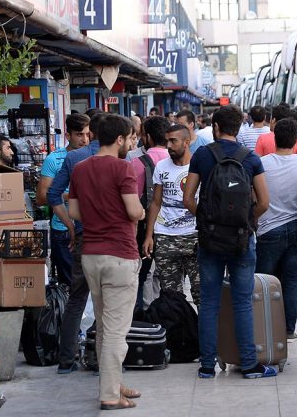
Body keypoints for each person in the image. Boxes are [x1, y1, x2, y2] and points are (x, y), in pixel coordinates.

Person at [183, 105, 276, 379]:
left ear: (215, 127)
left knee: (209, 302)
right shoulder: (251, 158)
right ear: (239, 128)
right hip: (241, 239)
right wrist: (246, 221)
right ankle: (249, 365)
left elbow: (188, 198)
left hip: (210, 239)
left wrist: (207, 220)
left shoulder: (202, 155)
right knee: (242, 302)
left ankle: (207, 366)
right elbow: (264, 202)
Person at [68, 115, 145, 410]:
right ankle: (110, 395)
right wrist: (139, 212)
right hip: (120, 255)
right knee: (115, 330)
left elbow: (74, 211)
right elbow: (133, 211)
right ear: (120, 139)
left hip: (91, 255)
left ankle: (113, 383)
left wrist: (98, 214)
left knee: (103, 325)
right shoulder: (123, 168)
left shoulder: (80, 168)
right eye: (130, 138)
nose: (131, 143)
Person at [48, 112, 106, 374]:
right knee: (109, 300)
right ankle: (104, 359)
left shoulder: (73, 158)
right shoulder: (119, 160)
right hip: (112, 239)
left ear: (91, 132)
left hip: (84, 236)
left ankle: (66, 359)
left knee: (77, 297)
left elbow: (52, 194)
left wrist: (72, 226)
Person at [255, 118, 297, 342]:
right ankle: (289, 330)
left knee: (264, 281)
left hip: (268, 230)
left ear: (275, 138)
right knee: (292, 280)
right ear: (296, 140)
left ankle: (263, 329)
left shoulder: (261, 164)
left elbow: (255, 196)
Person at [144, 124, 200, 304]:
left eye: (173, 141)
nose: (168, 145)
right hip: (165, 238)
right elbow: (156, 202)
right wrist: (149, 236)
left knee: (201, 293)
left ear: (186, 142)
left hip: (194, 237)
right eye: (167, 141)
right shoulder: (161, 166)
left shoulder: (199, 165)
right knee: (170, 296)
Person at [36, 113, 91, 287]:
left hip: (90, 229)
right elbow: (42, 197)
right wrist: (72, 195)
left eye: (87, 134)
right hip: (63, 230)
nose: (84, 139)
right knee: (70, 285)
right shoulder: (54, 159)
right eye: (79, 134)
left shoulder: (94, 157)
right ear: (68, 136)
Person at [129, 115, 171, 310]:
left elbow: (132, 202)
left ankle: (142, 314)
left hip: (146, 228)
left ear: (148, 137)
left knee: (141, 275)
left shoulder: (137, 163)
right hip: (174, 229)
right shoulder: (177, 159)